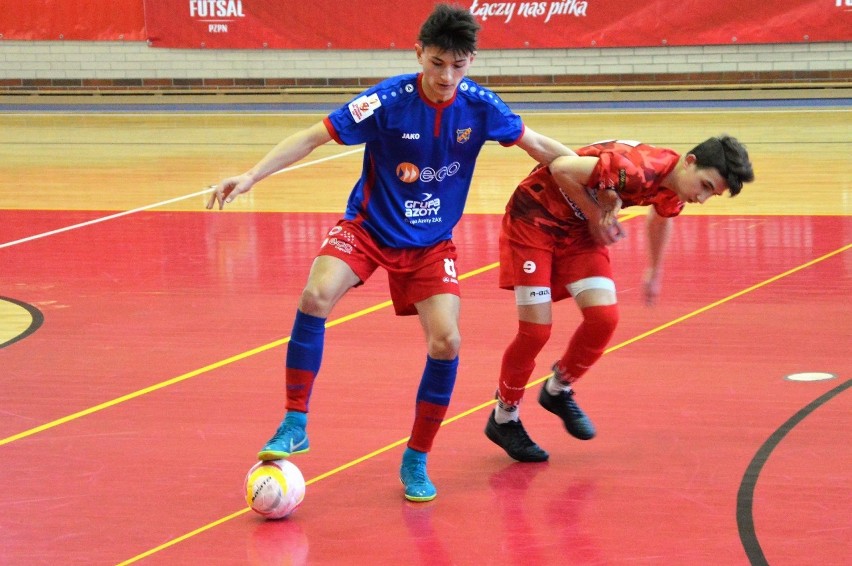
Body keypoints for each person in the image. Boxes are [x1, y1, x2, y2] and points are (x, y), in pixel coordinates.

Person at [207, 4, 575, 501]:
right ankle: (295, 421)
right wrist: (251, 175)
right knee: (315, 295)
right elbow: (313, 137)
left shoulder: (482, 107)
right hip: (368, 227)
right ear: (419, 52)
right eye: (438, 63)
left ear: (471, 62)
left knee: (446, 343)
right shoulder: (385, 100)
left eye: (459, 65)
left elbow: (540, 146)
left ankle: (416, 458)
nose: (448, 77)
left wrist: (593, 172)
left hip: (429, 244)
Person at [485, 136, 755, 462]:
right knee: (536, 332)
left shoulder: (677, 187)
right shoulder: (636, 169)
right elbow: (560, 167)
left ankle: (558, 390)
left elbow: (661, 217)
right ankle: (504, 416)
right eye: (706, 186)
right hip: (534, 220)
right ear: (690, 161)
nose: (703, 197)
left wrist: (654, 270)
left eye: (713, 194)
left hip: (580, 229)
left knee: (604, 319)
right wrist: (595, 213)